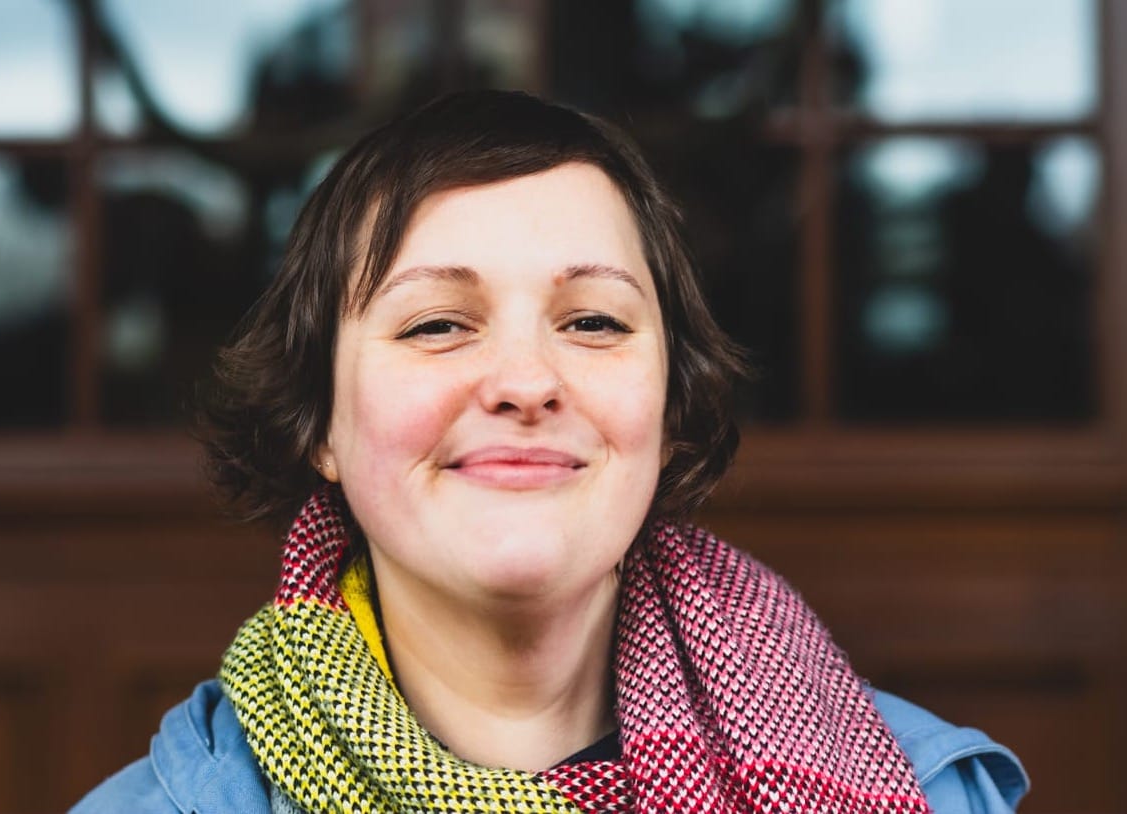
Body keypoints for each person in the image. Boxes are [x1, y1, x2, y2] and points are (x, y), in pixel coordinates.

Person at [72, 90, 1027, 813]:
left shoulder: (933, 791)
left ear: (668, 403)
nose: (526, 381)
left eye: (595, 321)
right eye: (440, 323)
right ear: (318, 420)